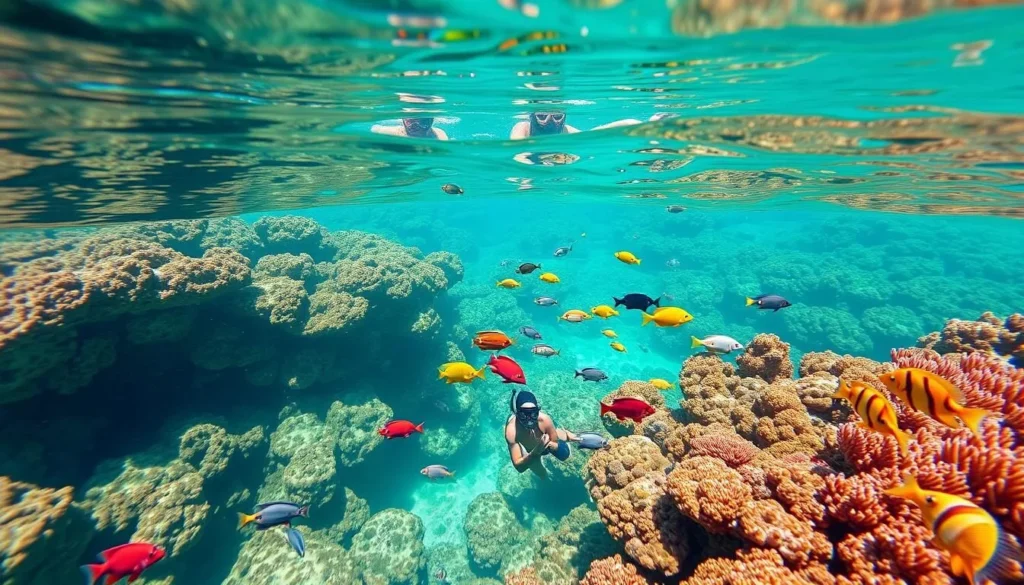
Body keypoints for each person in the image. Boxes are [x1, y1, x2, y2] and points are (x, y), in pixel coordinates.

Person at [505, 390, 578, 479]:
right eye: (523, 415)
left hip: (543, 443)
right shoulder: (511, 431)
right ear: (517, 414)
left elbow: (555, 442)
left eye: (533, 414)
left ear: (537, 412)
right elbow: (519, 468)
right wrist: (536, 452)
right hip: (531, 451)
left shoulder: (544, 420)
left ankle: (566, 432)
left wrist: (550, 445)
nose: (529, 420)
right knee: (543, 475)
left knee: (565, 452)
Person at [510, 111, 580, 139]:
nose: (549, 122)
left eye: (557, 116)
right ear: (532, 117)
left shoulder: (565, 129)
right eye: (542, 116)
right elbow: (519, 155)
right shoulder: (523, 127)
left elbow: (585, 138)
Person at [371, 117, 449, 139]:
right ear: (403, 120)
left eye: (423, 122)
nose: (417, 126)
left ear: (431, 121)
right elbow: (375, 128)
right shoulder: (392, 132)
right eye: (411, 121)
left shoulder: (439, 135)